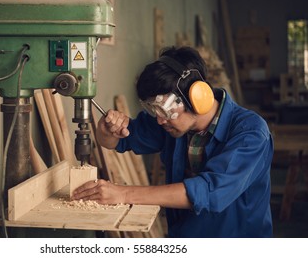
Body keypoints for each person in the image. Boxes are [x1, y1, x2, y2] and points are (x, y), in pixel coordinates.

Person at [72, 46, 273, 238]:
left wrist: (124, 194)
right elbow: (118, 141)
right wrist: (106, 130)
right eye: (154, 110)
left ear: (197, 97)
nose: (160, 119)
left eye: (165, 111)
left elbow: (210, 191)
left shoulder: (250, 133)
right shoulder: (171, 123)